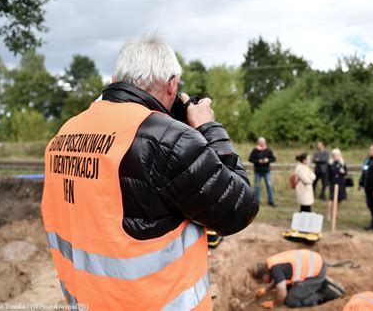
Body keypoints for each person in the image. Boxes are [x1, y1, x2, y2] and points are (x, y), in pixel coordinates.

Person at [41, 34, 258, 310]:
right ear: (172, 85)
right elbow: (240, 209)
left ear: (114, 80)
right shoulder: (169, 141)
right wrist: (207, 127)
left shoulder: (63, 135)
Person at [251, 250, 345, 308]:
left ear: (264, 277)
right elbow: (278, 279)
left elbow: (282, 292)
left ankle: (325, 293)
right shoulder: (271, 263)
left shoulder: (275, 270)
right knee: (288, 288)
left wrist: (275, 304)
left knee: (291, 300)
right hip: (315, 263)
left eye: (262, 282)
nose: (264, 282)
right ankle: (319, 283)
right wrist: (266, 290)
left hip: (316, 273)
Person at [249, 137, 277, 207]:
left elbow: (274, 159)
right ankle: (256, 202)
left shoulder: (268, 150)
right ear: (258, 142)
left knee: (269, 185)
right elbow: (250, 159)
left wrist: (268, 160)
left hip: (266, 171)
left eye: (263, 142)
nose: (262, 143)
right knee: (256, 187)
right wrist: (258, 161)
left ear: (265, 142)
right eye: (261, 142)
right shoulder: (255, 150)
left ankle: (271, 201)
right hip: (257, 171)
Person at [327, 149, 347, 220]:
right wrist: (327, 184)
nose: (336, 156)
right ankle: (329, 214)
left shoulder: (342, 163)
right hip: (333, 183)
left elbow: (345, 173)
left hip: (340, 183)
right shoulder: (330, 164)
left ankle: (337, 213)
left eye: (337, 155)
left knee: (339, 199)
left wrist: (343, 172)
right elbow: (328, 174)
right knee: (331, 199)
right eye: (335, 155)